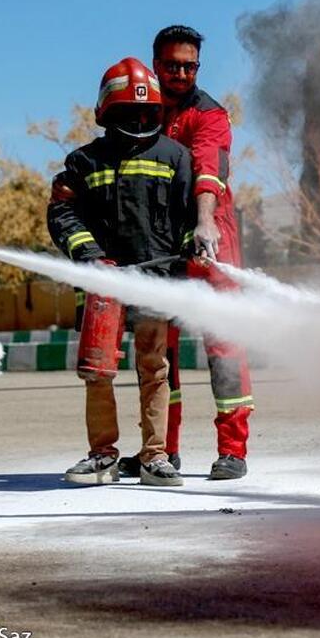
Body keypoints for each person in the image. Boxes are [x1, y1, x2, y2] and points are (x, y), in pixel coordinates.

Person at [48, 57, 194, 487]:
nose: (139, 119)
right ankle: (102, 456)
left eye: (146, 112)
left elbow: (189, 218)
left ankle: (155, 457)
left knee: (155, 368)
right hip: (102, 287)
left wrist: (185, 256)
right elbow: (61, 214)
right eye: (129, 112)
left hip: (156, 283)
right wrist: (90, 255)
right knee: (98, 372)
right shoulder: (83, 162)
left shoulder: (175, 157)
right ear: (107, 115)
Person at [119, 26, 254, 480]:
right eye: (172, 65)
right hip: (162, 242)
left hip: (210, 235)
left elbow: (207, 172)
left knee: (224, 344)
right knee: (160, 349)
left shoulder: (210, 114)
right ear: (155, 63)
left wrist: (203, 224)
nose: (180, 73)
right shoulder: (143, 110)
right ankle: (162, 450)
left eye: (189, 66)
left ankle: (232, 450)